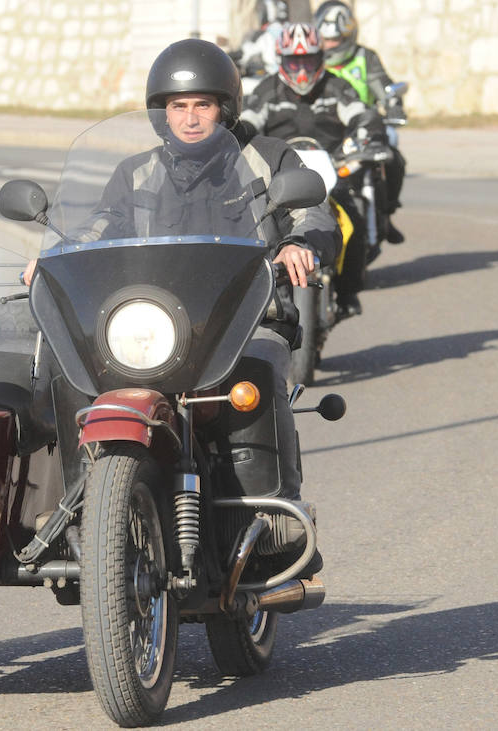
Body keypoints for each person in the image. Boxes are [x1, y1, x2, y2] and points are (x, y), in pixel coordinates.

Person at [25, 39, 341, 577]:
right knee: (63, 365)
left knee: (259, 368)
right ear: (160, 114)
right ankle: (74, 508)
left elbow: (314, 214)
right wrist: (55, 255)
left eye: (203, 105)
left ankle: (272, 515)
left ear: (226, 107)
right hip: (152, 325)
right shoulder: (136, 174)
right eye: (177, 106)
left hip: (245, 321)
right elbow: (98, 227)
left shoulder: (266, 159)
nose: (190, 118)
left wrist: (299, 244)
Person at [237, 22, 385, 317]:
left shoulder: (337, 86)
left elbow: (360, 114)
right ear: (282, 60)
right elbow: (248, 122)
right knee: (261, 228)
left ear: (321, 58)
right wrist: (237, 140)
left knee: (351, 221)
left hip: (330, 169)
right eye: (294, 61)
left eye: (308, 60)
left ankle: (348, 293)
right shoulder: (268, 89)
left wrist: (367, 131)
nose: (301, 69)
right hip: (282, 175)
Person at [314, 0, 407, 243]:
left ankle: (387, 213)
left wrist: (393, 104)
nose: (330, 45)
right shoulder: (314, 60)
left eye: (335, 40)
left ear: (348, 35)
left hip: (367, 127)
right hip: (326, 127)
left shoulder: (365, 58)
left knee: (393, 151)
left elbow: (384, 86)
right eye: (326, 40)